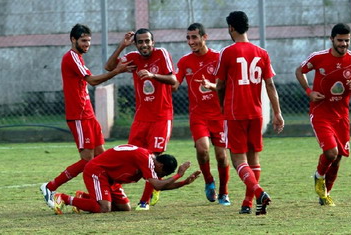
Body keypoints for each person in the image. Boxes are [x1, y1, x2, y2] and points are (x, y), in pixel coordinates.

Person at [40, 24, 133, 209]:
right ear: (73, 40)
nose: (87, 44)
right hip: (78, 117)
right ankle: (50, 187)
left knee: (102, 158)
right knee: (87, 161)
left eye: (89, 41)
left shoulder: (79, 58)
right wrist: (117, 72)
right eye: (83, 41)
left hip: (89, 115)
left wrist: (122, 46)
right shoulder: (71, 57)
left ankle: (97, 195)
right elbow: (91, 81)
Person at [215, 11, 285, 215]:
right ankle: (248, 202)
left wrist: (221, 107)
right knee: (254, 160)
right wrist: (278, 113)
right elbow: (270, 84)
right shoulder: (261, 52)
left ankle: (258, 192)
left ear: (231, 28)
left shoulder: (227, 52)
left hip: (235, 113)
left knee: (238, 161)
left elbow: (220, 86)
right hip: (257, 113)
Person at [105, 28, 176, 210]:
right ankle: (114, 194)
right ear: (136, 44)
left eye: (147, 41)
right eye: (141, 42)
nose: (144, 45)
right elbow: (109, 67)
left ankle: (144, 200)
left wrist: (153, 75)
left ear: (153, 42)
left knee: (153, 158)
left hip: (161, 116)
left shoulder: (161, 54)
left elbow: (173, 80)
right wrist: (122, 46)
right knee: (130, 157)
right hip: (141, 117)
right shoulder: (133, 57)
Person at [295, 23, 351, 206]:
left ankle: (325, 195)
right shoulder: (319, 58)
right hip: (321, 113)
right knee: (331, 152)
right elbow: (299, 71)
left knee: (338, 157)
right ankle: (318, 177)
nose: (344, 44)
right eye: (340, 40)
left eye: (347, 40)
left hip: (342, 116)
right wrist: (309, 92)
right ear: (332, 39)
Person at [50, 144, 201, 214]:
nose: (161, 176)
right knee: (104, 208)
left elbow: (158, 185)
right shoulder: (147, 160)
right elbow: (158, 185)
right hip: (97, 171)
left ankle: (84, 198)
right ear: (160, 165)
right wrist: (179, 175)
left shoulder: (150, 162)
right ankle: (63, 198)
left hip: (111, 178)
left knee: (124, 208)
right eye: (163, 173)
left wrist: (184, 183)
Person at [174, 23, 230, 205]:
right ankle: (208, 181)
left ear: (204, 37)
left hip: (219, 115)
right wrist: (157, 78)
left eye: (195, 37)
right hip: (198, 115)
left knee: (222, 156)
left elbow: (227, 85)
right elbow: (175, 83)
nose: (191, 41)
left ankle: (224, 192)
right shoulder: (184, 61)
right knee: (202, 149)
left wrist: (211, 85)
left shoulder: (218, 58)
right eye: (188, 38)